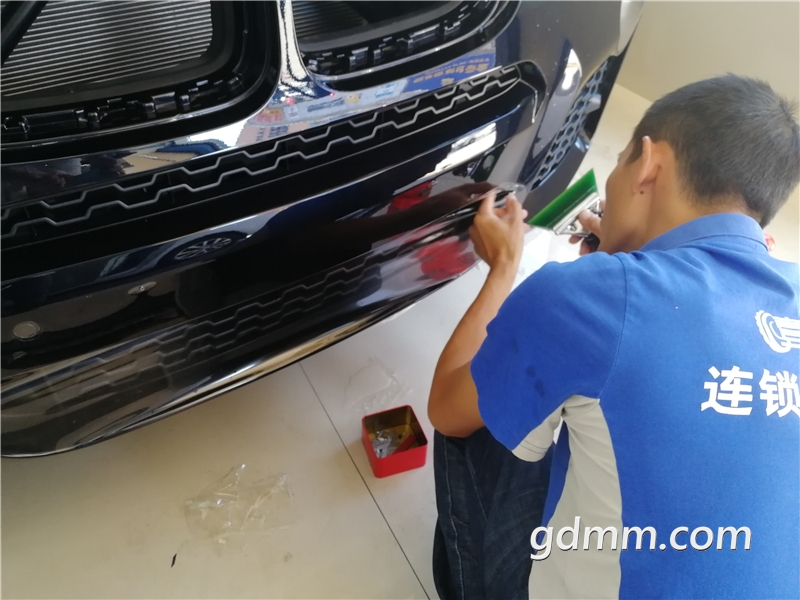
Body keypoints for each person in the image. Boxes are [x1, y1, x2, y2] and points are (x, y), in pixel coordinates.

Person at [427, 74, 800, 599]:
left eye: (621, 162)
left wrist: (504, 267)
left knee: (491, 390)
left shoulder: (586, 295)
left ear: (648, 164)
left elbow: (446, 407)